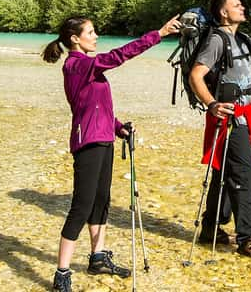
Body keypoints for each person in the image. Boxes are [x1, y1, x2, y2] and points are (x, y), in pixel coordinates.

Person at [42, 14, 181, 292]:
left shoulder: (89, 68)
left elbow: (95, 108)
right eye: (91, 32)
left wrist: (119, 128)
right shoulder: (76, 65)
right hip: (88, 144)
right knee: (81, 206)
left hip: (104, 139)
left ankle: (98, 257)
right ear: (75, 39)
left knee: (101, 201)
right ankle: (62, 274)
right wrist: (159, 33)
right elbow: (120, 55)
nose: (96, 37)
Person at [189, 0, 251, 261]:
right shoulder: (218, 40)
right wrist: (212, 104)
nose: (243, 8)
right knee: (244, 175)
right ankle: (249, 239)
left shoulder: (240, 38)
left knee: (224, 172)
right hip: (227, 118)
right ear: (223, 12)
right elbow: (196, 75)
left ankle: (211, 228)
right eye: (236, 5)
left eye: (241, 5)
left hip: (242, 115)